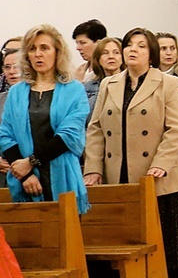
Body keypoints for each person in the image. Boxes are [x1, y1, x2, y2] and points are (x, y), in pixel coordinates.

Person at [84, 27, 178, 276]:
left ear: (151, 54)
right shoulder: (109, 84)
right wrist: (93, 168)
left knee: (161, 239)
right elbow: (96, 129)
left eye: (141, 45)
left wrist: (162, 163)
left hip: (156, 173)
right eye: (129, 44)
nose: (133, 49)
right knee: (125, 236)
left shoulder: (168, 83)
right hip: (118, 171)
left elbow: (175, 128)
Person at [0, 24, 90, 214]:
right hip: (25, 181)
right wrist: (25, 175)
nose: (38, 54)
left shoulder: (74, 90)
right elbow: (5, 134)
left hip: (62, 176)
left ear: (57, 52)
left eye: (44, 48)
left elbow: (69, 135)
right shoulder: (16, 92)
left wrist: (30, 162)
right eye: (32, 49)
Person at [83, 37, 125, 117]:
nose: (111, 56)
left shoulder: (132, 85)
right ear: (98, 59)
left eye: (116, 53)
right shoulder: (87, 88)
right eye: (105, 53)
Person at [0, 49, 21, 187]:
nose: (12, 71)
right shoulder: (1, 99)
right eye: (7, 67)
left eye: (17, 66)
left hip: (32, 167)